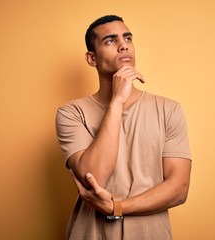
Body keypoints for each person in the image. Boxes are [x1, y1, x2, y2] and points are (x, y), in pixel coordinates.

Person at [55, 15, 192, 240]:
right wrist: (117, 102)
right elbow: (95, 176)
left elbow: (179, 189)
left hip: (151, 233)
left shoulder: (170, 109)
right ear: (92, 58)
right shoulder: (71, 113)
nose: (123, 45)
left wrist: (116, 207)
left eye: (127, 38)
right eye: (110, 41)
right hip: (92, 233)